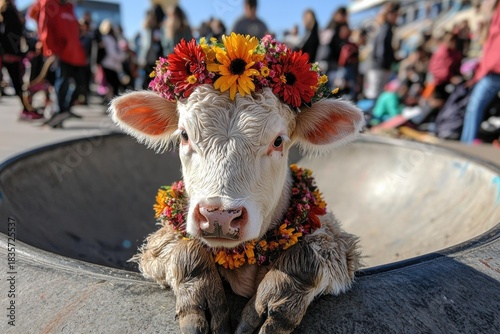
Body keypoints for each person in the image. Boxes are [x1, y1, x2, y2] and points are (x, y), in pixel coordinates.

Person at [31, 0, 87, 128]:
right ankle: (58, 111)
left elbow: (73, 32)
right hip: (61, 53)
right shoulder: (50, 4)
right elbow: (45, 27)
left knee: (80, 85)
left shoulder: (69, 8)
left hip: (75, 55)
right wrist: (51, 49)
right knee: (62, 82)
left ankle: (65, 109)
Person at [461, 0, 500, 144]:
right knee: (474, 106)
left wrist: (484, 69)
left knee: (474, 106)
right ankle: (467, 142)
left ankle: (468, 143)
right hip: (491, 70)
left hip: (493, 71)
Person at [0, 0, 43, 120]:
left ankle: (27, 108)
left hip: (12, 53)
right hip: (8, 54)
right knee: (18, 83)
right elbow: (7, 34)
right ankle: (27, 109)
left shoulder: (13, 10)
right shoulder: (6, 11)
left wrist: (26, 49)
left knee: (19, 83)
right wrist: (6, 52)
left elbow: (19, 34)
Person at [365, 2, 400, 100]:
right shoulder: (385, 28)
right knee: (375, 96)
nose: (397, 17)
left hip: (377, 66)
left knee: (376, 95)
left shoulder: (383, 27)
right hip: (379, 67)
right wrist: (387, 64)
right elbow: (381, 50)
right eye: (396, 15)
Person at [99, 19, 126, 99]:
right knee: (113, 85)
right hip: (109, 64)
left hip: (112, 65)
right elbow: (113, 53)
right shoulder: (108, 38)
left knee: (113, 85)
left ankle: (110, 101)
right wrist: (122, 56)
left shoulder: (112, 38)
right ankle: (111, 102)